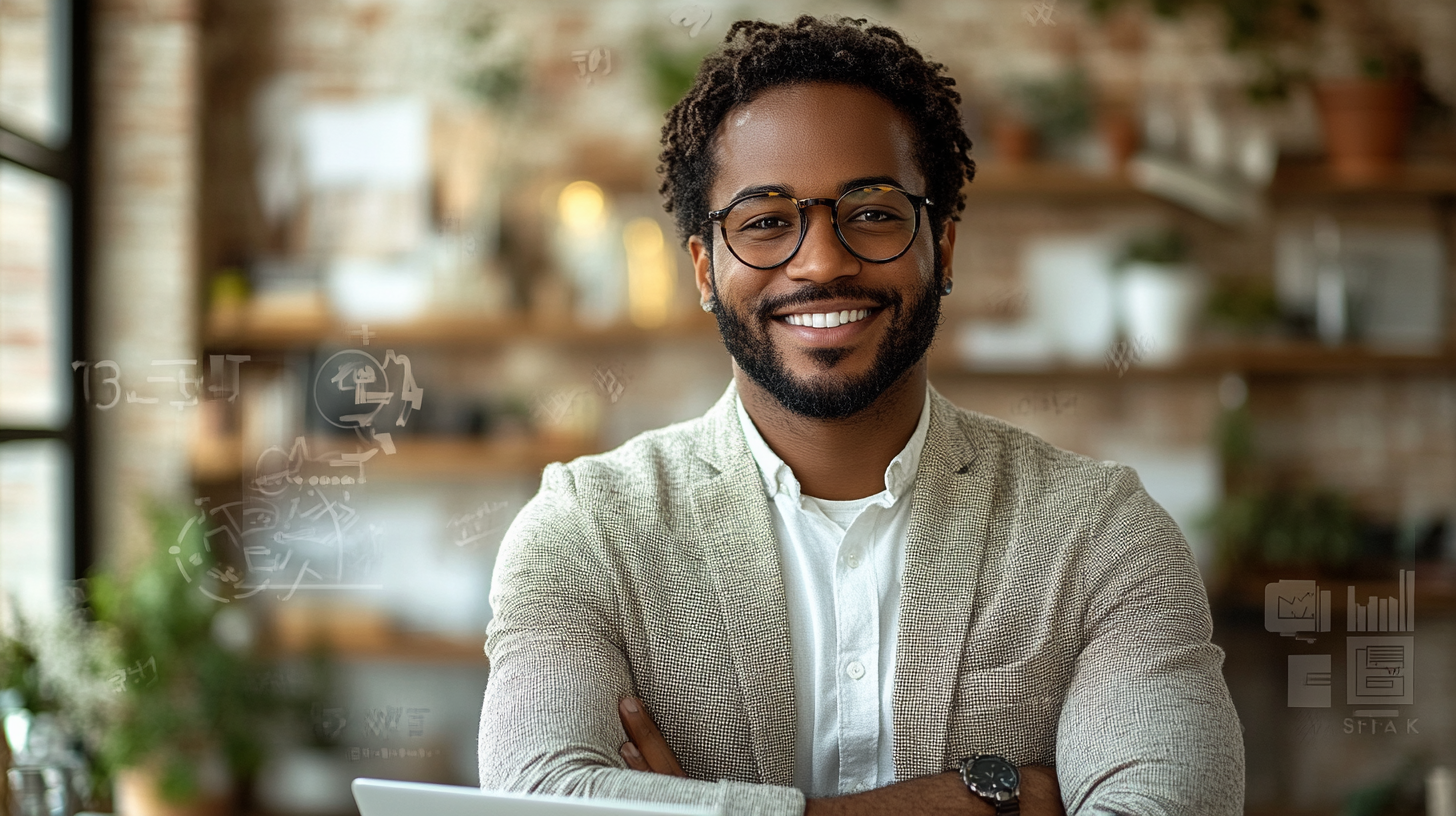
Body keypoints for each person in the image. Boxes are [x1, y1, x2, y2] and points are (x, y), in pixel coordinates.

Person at [478, 15, 1244, 816]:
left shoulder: (1102, 534)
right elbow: (537, 798)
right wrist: (976, 802)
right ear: (705, 268)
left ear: (941, 248)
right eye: (766, 221)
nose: (821, 260)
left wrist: (695, 809)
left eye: (873, 212)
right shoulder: (584, 530)